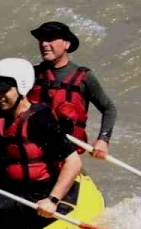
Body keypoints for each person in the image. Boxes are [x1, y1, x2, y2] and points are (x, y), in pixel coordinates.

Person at [0, 58, 83, 229]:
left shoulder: (41, 120)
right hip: (2, 189)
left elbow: (74, 162)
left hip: (35, 196)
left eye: (4, 90)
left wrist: (52, 200)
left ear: (21, 88)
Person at [27, 21, 117, 159]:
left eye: (50, 39)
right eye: (42, 39)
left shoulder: (84, 78)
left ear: (66, 44)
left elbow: (109, 109)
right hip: (32, 150)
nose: (44, 44)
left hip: (66, 155)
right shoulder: (29, 74)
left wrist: (103, 140)